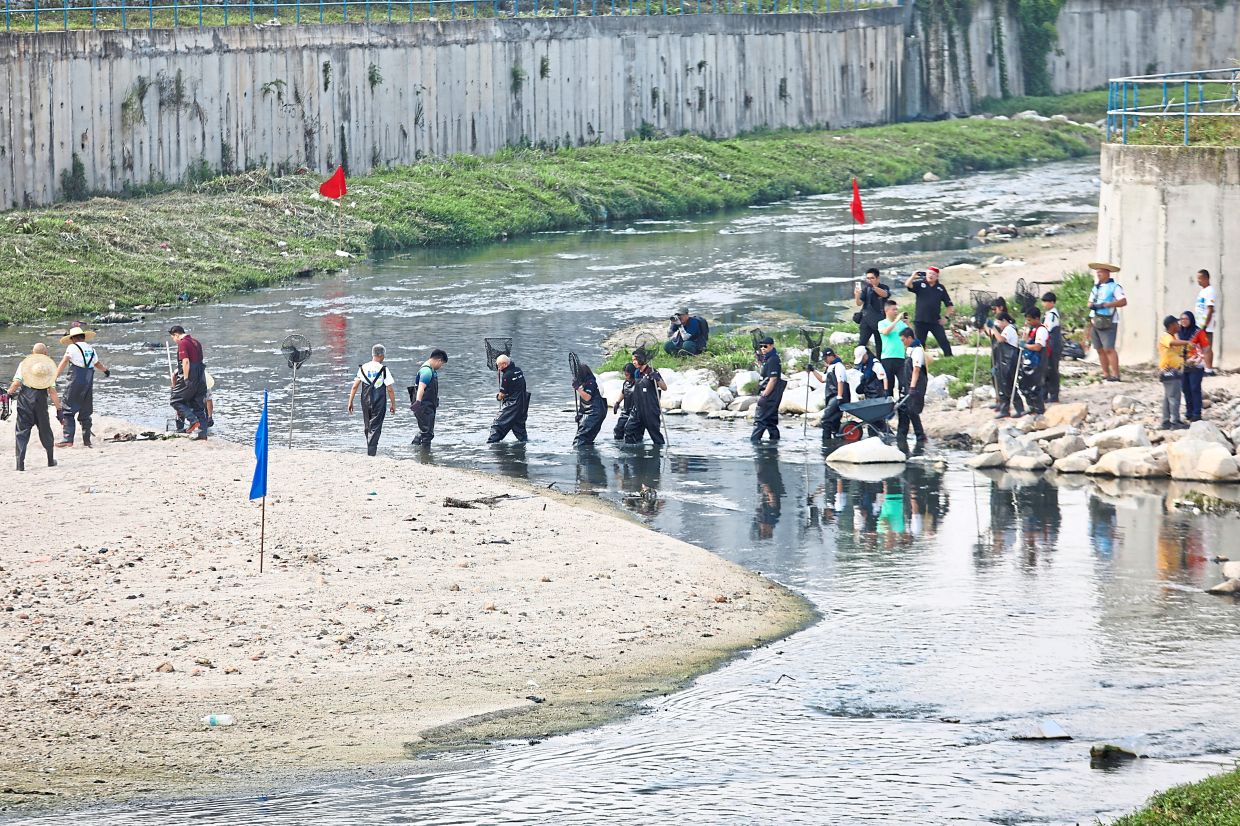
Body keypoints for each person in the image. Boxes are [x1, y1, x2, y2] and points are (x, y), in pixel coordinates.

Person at [54, 324, 109, 448]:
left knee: (67, 409)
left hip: (75, 381)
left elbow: (64, 361)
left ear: (73, 338)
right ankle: (87, 440)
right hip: (88, 382)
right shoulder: (91, 349)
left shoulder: (72, 348)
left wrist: (55, 376)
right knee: (85, 410)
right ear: (83, 337)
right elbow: (97, 364)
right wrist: (106, 371)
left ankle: (68, 439)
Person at [7, 344, 61, 471]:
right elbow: (52, 392)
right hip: (41, 402)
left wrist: (8, 393)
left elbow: (16, 383)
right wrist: (59, 409)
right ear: (46, 354)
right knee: (45, 430)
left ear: (32, 352)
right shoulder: (48, 369)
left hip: (25, 400)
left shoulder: (24, 364)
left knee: (21, 432)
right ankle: (50, 460)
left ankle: (20, 464)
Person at [347, 344, 396, 457]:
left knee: (367, 424)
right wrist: (393, 404)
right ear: (382, 355)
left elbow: (355, 386)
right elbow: (389, 389)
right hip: (379, 399)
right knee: (376, 426)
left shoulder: (363, 367)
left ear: (372, 354)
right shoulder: (383, 369)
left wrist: (350, 402)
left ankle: (369, 447)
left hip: (365, 399)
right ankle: (371, 452)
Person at [1087, 262, 1127, 382]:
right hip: (1095, 319)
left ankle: (1116, 374)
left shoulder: (1115, 287)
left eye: (1100, 272)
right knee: (1099, 349)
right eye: (1097, 272)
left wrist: (1109, 304)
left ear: (1107, 273)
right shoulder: (1096, 287)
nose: (1098, 274)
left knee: (1109, 348)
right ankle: (1106, 373)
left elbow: (1123, 301)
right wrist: (1094, 305)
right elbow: (1089, 303)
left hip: (1108, 320)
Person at [168, 325, 209, 440]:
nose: (175, 341)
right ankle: (202, 434)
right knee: (198, 405)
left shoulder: (183, 343)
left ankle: (193, 421)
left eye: (173, 338)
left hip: (190, 375)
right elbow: (197, 360)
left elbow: (186, 362)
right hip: (201, 376)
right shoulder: (196, 342)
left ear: (176, 334)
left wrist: (185, 378)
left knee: (175, 400)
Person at [905, 267, 955, 356]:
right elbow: (908, 285)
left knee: (943, 341)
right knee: (919, 344)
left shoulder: (940, 288)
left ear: (937, 276)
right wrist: (913, 276)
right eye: (929, 274)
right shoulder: (920, 284)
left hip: (935, 321)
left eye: (933, 274)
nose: (930, 276)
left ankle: (949, 358)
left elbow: (950, 306)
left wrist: (946, 317)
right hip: (920, 321)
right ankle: (919, 362)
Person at [623, 352, 667, 445]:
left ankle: (658, 453)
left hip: (650, 409)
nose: (634, 362)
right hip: (638, 408)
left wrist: (657, 379)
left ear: (641, 360)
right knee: (629, 429)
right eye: (632, 360)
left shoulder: (652, 371)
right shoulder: (636, 372)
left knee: (655, 434)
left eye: (635, 360)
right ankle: (635, 454)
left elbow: (664, 387)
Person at [750, 336, 786, 444]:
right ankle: (775, 443)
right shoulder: (769, 358)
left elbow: (773, 380)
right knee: (771, 421)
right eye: (761, 346)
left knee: (760, 421)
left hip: (770, 394)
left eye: (765, 346)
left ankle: (754, 443)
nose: (763, 348)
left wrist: (764, 396)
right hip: (773, 395)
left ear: (771, 346)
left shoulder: (773, 359)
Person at [1177, 311, 1211, 422]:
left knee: (1194, 388)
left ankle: (1197, 413)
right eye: (1182, 319)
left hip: (1196, 365)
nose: (1183, 321)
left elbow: (1206, 347)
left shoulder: (1198, 332)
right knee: (1185, 389)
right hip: (1183, 365)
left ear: (1191, 319)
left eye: (1186, 319)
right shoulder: (1179, 332)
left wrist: (1201, 358)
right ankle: (1189, 412)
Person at [987, 312, 1023, 418]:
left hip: (1010, 360)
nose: (998, 325)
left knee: (1008, 385)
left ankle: (1019, 408)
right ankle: (1004, 410)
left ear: (1004, 321)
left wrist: (993, 328)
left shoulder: (1009, 329)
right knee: (1002, 384)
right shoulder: (1005, 329)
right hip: (1004, 360)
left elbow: (1001, 339)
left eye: (999, 322)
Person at [487, 354, 530, 444]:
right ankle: (524, 442)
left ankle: (491, 444)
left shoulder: (507, 376)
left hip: (513, 404)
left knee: (497, 424)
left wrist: (498, 397)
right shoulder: (518, 370)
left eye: (499, 365)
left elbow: (502, 395)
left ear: (505, 364)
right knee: (519, 427)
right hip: (523, 402)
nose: (498, 368)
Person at [409, 349, 448, 446]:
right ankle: (425, 457)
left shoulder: (432, 370)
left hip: (428, 405)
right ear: (439, 360)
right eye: (442, 363)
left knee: (425, 430)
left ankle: (416, 448)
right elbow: (421, 388)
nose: (441, 366)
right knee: (427, 433)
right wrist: (418, 402)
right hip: (423, 405)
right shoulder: (426, 371)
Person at [809, 348, 849, 440]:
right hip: (831, 396)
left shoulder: (839, 366)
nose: (825, 360)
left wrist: (839, 397)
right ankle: (836, 440)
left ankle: (826, 441)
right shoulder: (831, 367)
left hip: (837, 396)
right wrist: (813, 370)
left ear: (831, 356)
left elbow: (840, 381)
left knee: (826, 419)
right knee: (835, 420)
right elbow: (822, 379)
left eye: (826, 358)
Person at [1157, 315, 1188, 430]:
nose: (1179, 325)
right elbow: (1172, 343)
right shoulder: (1166, 337)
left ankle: (1166, 421)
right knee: (1174, 397)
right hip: (1169, 370)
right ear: (1171, 325)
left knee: (1168, 397)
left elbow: (1178, 352)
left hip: (1174, 370)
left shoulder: (1174, 336)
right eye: (1176, 323)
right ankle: (1175, 422)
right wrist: (1187, 342)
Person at [896, 328, 926, 444]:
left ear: (909, 338)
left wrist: (912, 387)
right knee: (905, 409)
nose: (902, 342)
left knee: (913, 410)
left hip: (917, 384)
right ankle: (902, 435)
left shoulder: (917, 350)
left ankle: (920, 436)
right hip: (908, 384)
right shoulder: (910, 349)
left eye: (903, 340)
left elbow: (916, 370)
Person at [1018, 308, 1048, 416]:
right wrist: (1025, 333)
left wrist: (1025, 345)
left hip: (1038, 361)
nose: (1028, 322)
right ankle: (1031, 407)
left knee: (1035, 387)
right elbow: (1026, 340)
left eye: (1030, 320)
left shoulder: (1041, 330)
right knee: (1025, 385)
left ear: (1037, 318)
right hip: (1028, 361)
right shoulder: (1032, 330)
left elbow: (1037, 347)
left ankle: (1039, 409)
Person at [853, 268, 890, 357]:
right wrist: (857, 295)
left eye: (872, 278)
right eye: (868, 278)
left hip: (879, 321)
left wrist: (874, 287)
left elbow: (885, 294)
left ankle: (879, 364)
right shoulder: (866, 289)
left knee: (880, 346)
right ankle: (862, 363)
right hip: (866, 320)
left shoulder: (884, 287)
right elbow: (859, 303)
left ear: (878, 278)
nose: (869, 280)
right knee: (861, 345)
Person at [877, 300, 910, 397]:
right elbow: (886, 332)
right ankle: (890, 407)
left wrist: (907, 323)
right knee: (889, 385)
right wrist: (896, 321)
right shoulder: (882, 323)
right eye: (893, 309)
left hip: (900, 357)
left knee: (904, 383)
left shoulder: (901, 324)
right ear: (887, 310)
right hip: (887, 358)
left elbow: (911, 336)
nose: (896, 312)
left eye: (896, 310)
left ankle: (903, 406)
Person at [572, 361, 607, 447]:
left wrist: (578, 389)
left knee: (580, 439)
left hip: (595, 413)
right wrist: (580, 415)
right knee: (587, 438)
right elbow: (583, 403)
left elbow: (587, 397)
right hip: (592, 412)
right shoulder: (584, 384)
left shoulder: (591, 383)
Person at [1041, 292, 1062, 404]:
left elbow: (1046, 329)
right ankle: (1045, 393)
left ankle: (1054, 395)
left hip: (1053, 345)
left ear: (1052, 303)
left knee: (1052, 370)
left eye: (1046, 302)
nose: (1044, 304)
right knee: (1046, 369)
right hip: (1049, 344)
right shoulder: (1048, 314)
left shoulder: (1052, 315)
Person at [1195, 269, 1217, 374]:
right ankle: (1205, 367)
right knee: (1202, 347)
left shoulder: (1210, 291)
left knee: (1207, 346)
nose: (1198, 280)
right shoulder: (1203, 291)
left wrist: (1205, 324)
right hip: (1200, 324)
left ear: (1206, 278)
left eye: (1199, 278)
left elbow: (1210, 309)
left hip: (1205, 325)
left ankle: (1209, 370)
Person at [612, 362, 637, 440]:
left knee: (629, 430)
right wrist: (617, 403)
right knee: (618, 430)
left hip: (635, 412)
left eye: (627, 375)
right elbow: (623, 392)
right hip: (626, 410)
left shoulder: (638, 383)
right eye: (624, 374)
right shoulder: (625, 383)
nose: (625, 377)